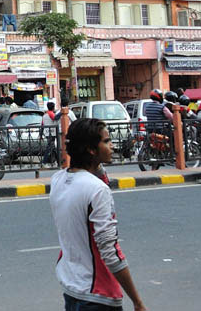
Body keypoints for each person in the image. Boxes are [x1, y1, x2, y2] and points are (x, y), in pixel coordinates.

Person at [50, 118, 148, 311]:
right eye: (106, 141)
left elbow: (96, 179)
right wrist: (137, 302)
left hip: (72, 288)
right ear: (91, 149)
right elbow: (110, 251)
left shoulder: (58, 180)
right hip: (98, 296)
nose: (112, 146)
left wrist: (96, 164)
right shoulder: (97, 190)